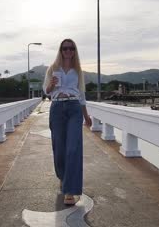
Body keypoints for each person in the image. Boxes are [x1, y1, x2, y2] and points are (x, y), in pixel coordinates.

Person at [43, 38, 92, 205]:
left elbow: (82, 95)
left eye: (71, 48)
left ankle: (69, 190)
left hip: (74, 108)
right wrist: (51, 84)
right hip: (57, 108)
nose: (68, 51)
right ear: (60, 50)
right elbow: (47, 92)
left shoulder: (78, 71)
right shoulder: (53, 69)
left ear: (75, 51)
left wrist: (86, 116)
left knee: (73, 148)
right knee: (59, 148)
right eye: (65, 48)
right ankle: (63, 178)